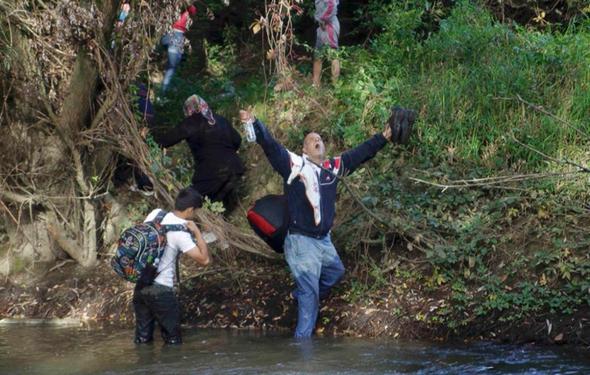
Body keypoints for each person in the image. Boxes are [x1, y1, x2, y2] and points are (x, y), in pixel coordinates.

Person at [239, 109, 393, 338]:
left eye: (319, 138)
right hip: (301, 241)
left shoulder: (333, 168)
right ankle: (303, 354)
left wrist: (384, 137)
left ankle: (301, 294)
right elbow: (271, 146)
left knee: (335, 272)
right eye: (311, 140)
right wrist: (255, 123)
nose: (317, 140)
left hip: (323, 241)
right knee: (310, 298)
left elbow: (361, 154)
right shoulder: (295, 165)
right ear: (304, 149)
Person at [133, 187, 211, 344]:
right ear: (190, 210)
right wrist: (197, 233)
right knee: (173, 341)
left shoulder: (155, 214)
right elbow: (205, 260)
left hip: (141, 284)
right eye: (195, 212)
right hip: (161, 290)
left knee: (142, 340)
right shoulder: (181, 233)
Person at [157, 95, 245, 213]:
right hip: (236, 168)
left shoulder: (191, 122)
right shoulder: (220, 119)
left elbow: (166, 141)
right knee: (219, 207)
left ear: (188, 109)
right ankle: (216, 226)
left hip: (212, 173)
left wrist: (148, 140)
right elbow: (237, 140)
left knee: (188, 201)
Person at [161, 4, 198, 92]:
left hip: (175, 35)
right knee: (172, 66)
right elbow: (193, 10)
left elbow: (193, 11)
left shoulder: (184, 6)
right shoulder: (176, 5)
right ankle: (164, 93)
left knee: (176, 62)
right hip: (174, 34)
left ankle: (170, 89)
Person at [312, 0, 340, 87]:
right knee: (317, 55)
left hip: (329, 26)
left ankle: (336, 87)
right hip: (322, 26)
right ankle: (315, 84)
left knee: (333, 55)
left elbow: (331, 5)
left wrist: (323, 19)